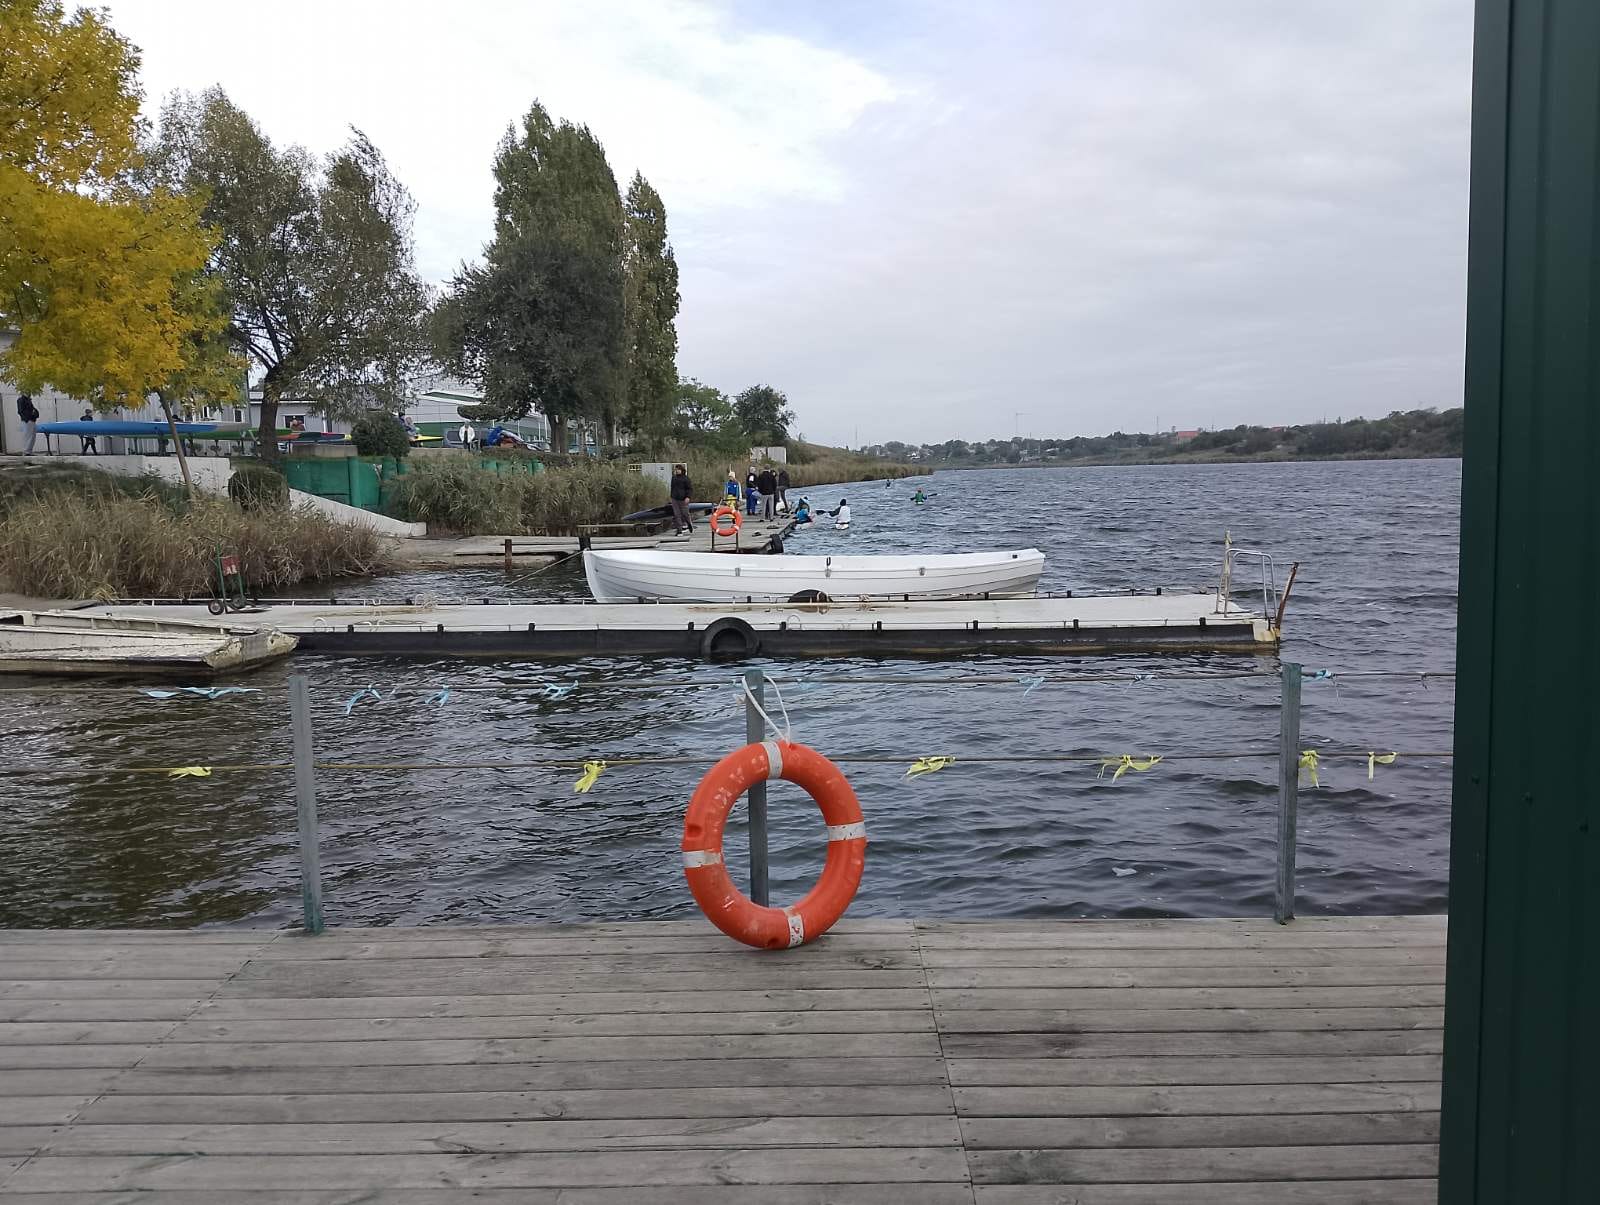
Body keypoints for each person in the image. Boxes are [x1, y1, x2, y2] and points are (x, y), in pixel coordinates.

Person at [668, 463, 695, 535]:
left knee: (685, 514)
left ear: (682, 470)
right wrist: (671, 496)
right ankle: (679, 530)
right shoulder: (673, 478)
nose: (677, 471)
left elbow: (689, 489)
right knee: (677, 514)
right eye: (676, 470)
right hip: (674, 499)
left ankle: (689, 523)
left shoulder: (686, 479)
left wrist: (688, 497)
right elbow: (672, 487)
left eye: (678, 469)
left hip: (683, 499)